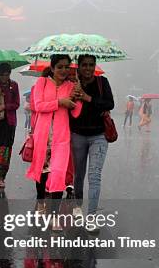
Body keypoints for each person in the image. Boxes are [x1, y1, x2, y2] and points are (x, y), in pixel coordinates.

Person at [26, 54, 81, 227]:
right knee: (41, 173)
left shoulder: (71, 86)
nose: (64, 70)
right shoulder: (41, 83)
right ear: (52, 68)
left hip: (61, 137)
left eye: (67, 67)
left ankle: (55, 216)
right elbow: (39, 105)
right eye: (60, 67)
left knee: (58, 174)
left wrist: (78, 96)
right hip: (42, 135)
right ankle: (41, 201)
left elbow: (76, 113)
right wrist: (60, 102)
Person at [69, 55, 115, 222]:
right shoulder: (72, 83)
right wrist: (74, 96)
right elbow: (68, 108)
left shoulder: (102, 82)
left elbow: (110, 104)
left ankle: (92, 216)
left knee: (94, 175)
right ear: (79, 67)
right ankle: (78, 205)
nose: (88, 68)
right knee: (79, 174)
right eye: (84, 65)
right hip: (78, 135)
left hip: (99, 135)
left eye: (91, 65)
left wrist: (88, 98)